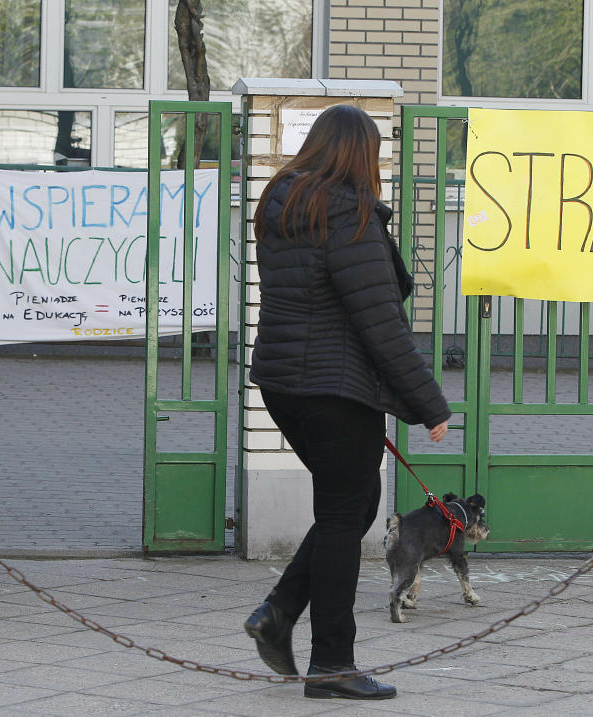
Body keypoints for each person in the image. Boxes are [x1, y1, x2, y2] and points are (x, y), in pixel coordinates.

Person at [243, 103, 451, 700]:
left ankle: (279, 612)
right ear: (359, 154)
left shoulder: (283, 203)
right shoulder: (347, 215)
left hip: (287, 384)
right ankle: (331, 663)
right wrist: (429, 404)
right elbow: (380, 324)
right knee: (344, 514)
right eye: (376, 151)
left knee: (355, 504)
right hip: (335, 389)